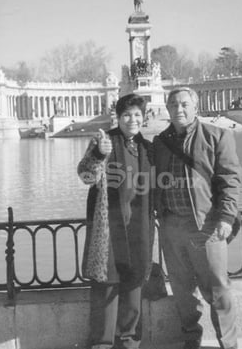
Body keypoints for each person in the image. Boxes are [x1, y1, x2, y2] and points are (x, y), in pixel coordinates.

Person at [153, 87, 242, 349]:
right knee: (182, 289)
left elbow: (230, 180)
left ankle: (228, 343)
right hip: (171, 226)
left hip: (207, 225)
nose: (178, 109)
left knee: (217, 287)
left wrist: (226, 217)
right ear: (167, 109)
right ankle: (191, 337)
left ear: (195, 108)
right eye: (173, 105)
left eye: (183, 104)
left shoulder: (218, 136)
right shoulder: (160, 142)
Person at [77, 93, 155, 349]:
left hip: (138, 226)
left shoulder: (147, 147)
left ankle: (129, 341)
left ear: (144, 118)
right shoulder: (104, 140)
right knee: (106, 286)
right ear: (118, 117)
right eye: (127, 115)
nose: (132, 119)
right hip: (109, 227)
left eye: (137, 115)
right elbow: (86, 175)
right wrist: (99, 154)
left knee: (134, 284)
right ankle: (102, 343)